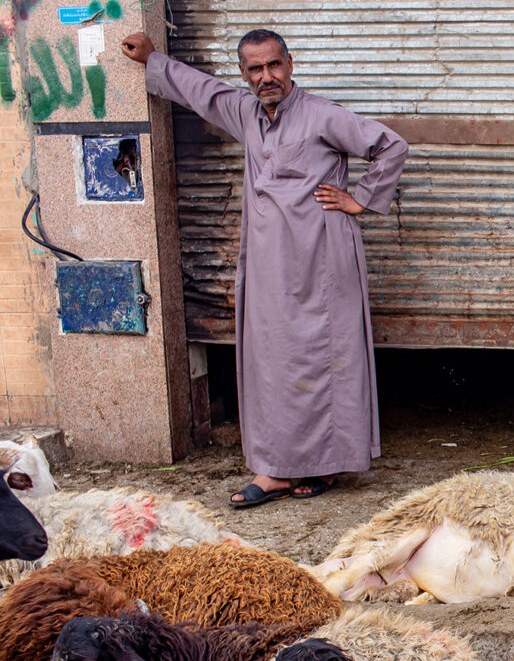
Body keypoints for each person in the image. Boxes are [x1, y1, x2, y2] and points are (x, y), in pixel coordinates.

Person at [121, 29, 408, 507]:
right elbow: (202, 91)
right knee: (272, 359)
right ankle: (274, 469)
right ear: (244, 73)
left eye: (274, 65)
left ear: (290, 64)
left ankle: (327, 464)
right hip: (269, 259)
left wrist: (359, 199)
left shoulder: (322, 114)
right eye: (255, 69)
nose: (266, 76)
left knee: (324, 355)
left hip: (322, 257)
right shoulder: (244, 112)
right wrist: (153, 60)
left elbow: (390, 146)